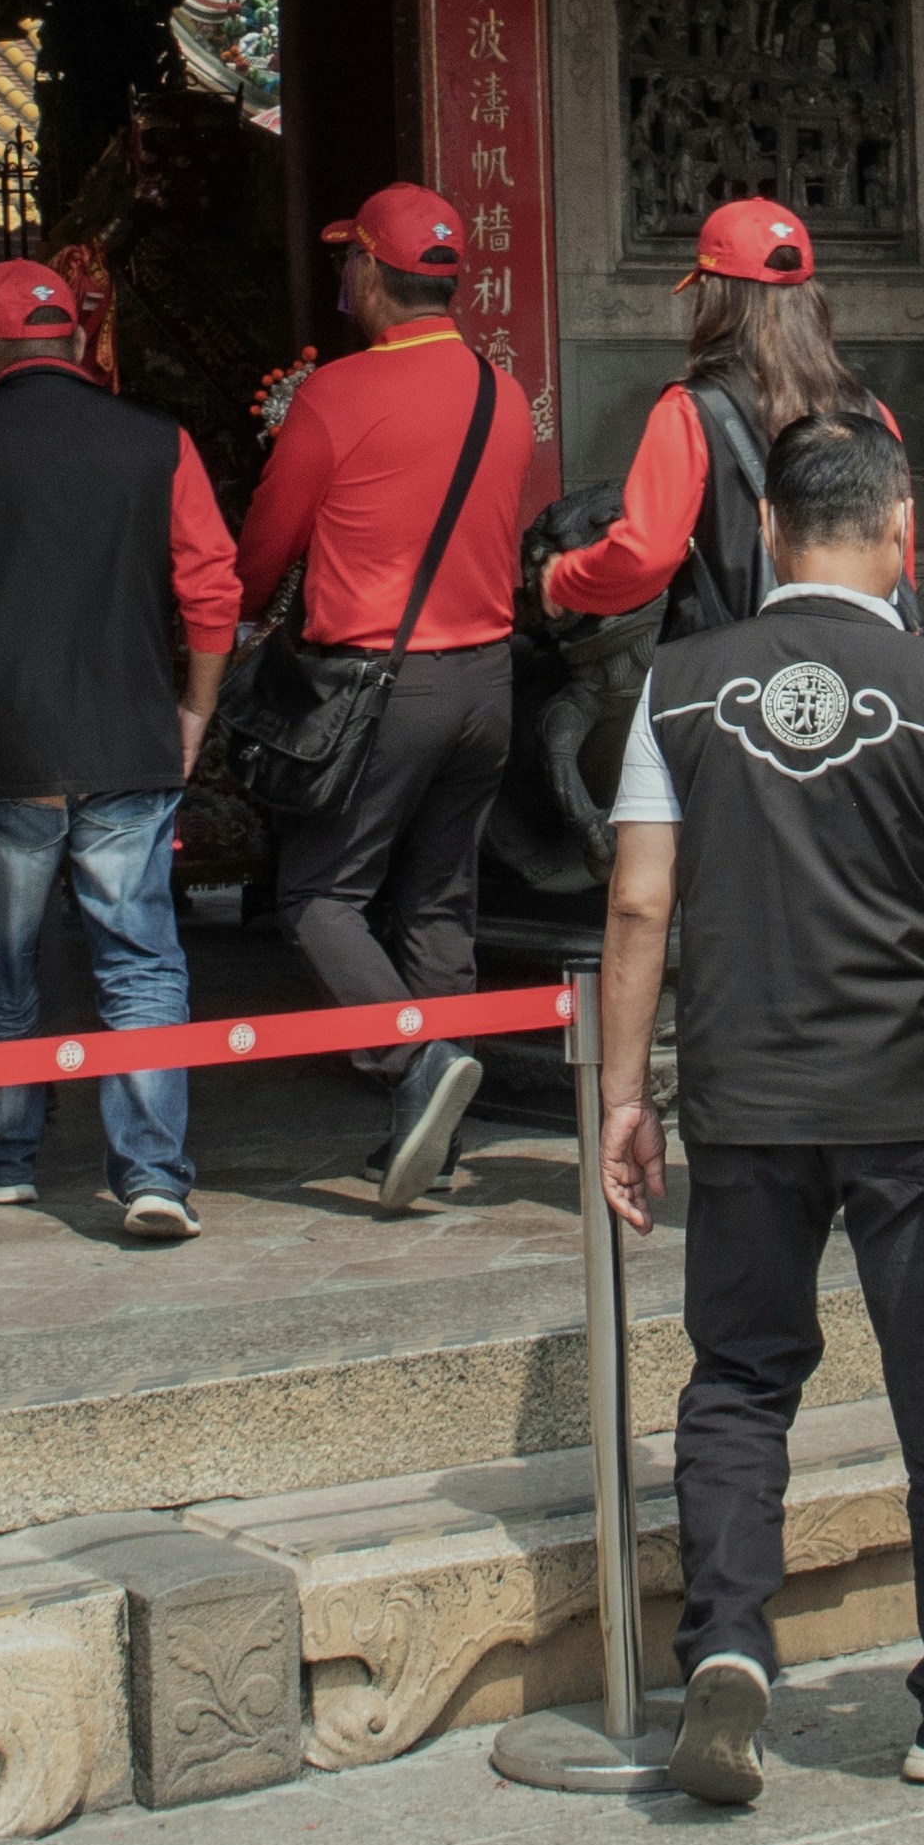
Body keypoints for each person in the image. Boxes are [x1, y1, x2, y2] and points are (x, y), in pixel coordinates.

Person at [595, 410, 924, 1806]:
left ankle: (729, 1646)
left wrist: (629, 1097)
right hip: (906, 1102)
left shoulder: (678, 685)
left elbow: (638, 904)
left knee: (740, 1380)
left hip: (743, 1099)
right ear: (900, 523)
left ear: (761, 529)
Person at [0, 259, 235, 1242]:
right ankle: (153, 1174)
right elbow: (213, 591)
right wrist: (194, 712)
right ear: (77, 340)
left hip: (4, 746)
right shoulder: (156, 440)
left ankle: (1, 1155)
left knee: (4, 962)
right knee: (140, 961)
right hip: (132, 738)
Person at [231, 186, 529, 1212]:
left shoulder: (336, 395)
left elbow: (268, 540)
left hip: (378, 684)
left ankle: (414, 1070)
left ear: (370, 271)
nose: (341, 280)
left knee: (320, 895)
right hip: (488, 677)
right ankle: (431, 1137)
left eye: (345, 262)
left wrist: (232, 615)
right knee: (441, 901)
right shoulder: (502, 392)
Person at [540, 202, 880, 638]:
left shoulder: (689, 411)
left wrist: (566, 577)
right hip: (859, 669)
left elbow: (646, 556)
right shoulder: (871, 410)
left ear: (714, 298)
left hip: (733, 678)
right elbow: (896, 554)